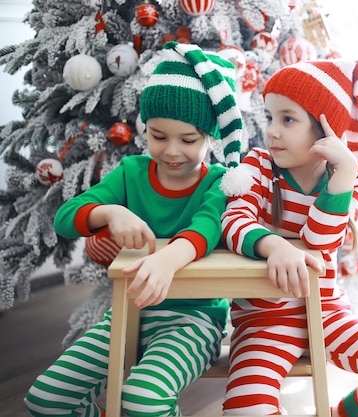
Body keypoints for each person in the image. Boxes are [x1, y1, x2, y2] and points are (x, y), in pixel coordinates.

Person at [24, 41, 244, 417]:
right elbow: (66, 217)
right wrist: (109, 213)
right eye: (158, 136)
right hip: (126, 314)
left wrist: (166, 261)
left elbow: (206, 228)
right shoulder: (131, 173)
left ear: (210, 136)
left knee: (143, 399)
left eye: (188, 140)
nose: (172, 151)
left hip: (194, 322)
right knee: (46, 398)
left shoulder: (220, 182)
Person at [219, 60, 358, 417]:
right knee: (245, 410)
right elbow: (233, 221)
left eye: (288, 119)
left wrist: (344, 174)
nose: (272, 131)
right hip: (265, 321)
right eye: (270, 117)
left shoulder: (348, 183)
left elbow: (320, 241)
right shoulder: (258, 166)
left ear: (325, 129)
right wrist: (276, 246)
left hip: (328, 311)